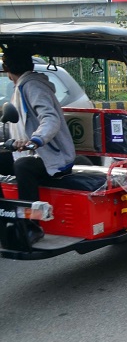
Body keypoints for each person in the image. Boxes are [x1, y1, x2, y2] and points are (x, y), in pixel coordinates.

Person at [2, 46, 76, 244]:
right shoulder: (21, 87)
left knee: (23, 166)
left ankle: (32, 227)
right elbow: (15, 123)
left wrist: (35, 140)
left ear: (6, 68)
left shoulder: (32, 86)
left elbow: (50, 119)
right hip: (34, 154)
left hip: (54, 157)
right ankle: (6, 216)